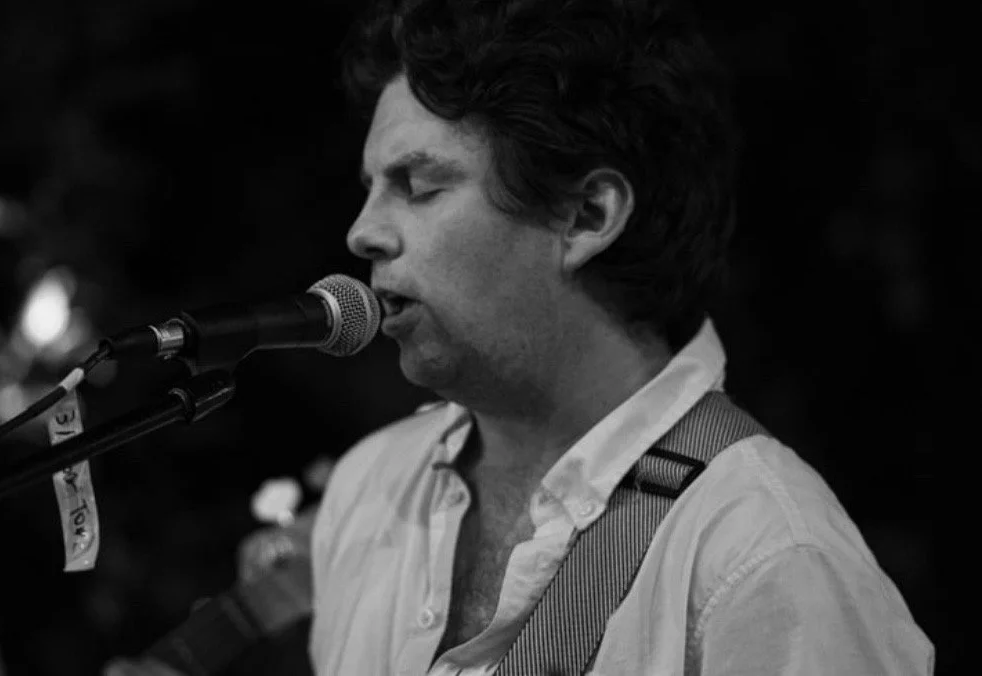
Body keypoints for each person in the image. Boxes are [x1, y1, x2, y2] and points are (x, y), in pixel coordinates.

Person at [105, 0, 935, 674]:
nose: (362, 232)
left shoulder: (767, 555)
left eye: (417, 186)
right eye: (369, 188)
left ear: (587, 216)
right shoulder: (370, 486)